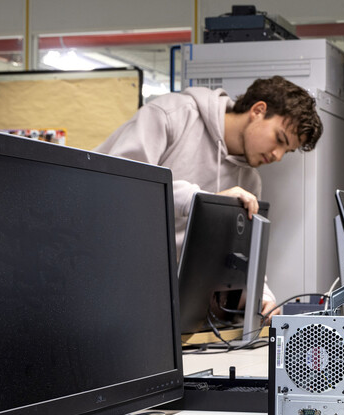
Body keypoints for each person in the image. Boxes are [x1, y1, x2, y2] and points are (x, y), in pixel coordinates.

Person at [97, 75, 323, 319]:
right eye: (279, 139)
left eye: (286, 151)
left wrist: (262, 296)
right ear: (258, 110)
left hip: (165, 300)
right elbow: (118, 185)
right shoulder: (171, 115)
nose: (278, 156)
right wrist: (201, 202)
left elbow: (243, 254)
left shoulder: (249, 182)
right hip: (104, 273)